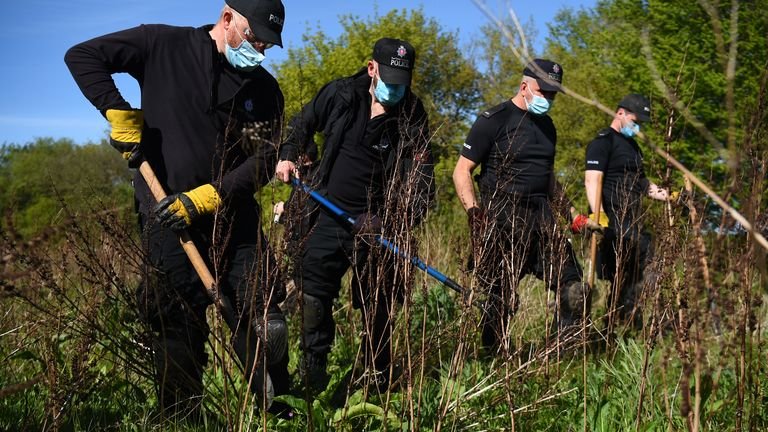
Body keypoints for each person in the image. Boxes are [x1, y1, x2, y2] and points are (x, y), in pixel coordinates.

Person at [65, 0, 290, 419]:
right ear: (227, 18)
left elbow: (263, 162)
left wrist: (211, 195)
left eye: (266, 44)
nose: (259, 50)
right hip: (167, 217)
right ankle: (185, 418)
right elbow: (82, 56)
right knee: (175, 329)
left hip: (233, 220)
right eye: (254, 38)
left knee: (267, 316)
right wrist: (116, 110)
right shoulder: (162, 44)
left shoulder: (265, 91)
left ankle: (280, 410)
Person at [274, 38, 434, 393]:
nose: (396, 89)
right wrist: (288, 153)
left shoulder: (413, 115)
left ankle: (375, 375)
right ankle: (313, 372)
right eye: (389, 78)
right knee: (314, 293)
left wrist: (389, 222)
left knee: (377, 303)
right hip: (327, 212)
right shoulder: (342, 94)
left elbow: (423, 183)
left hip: (378, 225)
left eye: (402, 82)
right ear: (372, 68)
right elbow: (302, 122)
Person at [452, 59, 587, 352]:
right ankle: (493, 360)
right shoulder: (494, 120)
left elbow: (548, 177)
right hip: (501, 218)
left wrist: (572, 214)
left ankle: (560, 356)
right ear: (524, 85)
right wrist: (475, 214)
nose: (547, 99)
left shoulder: (548, 128)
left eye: (552, 94)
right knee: (499, 301)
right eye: (543, 91)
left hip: (542, 219)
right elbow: (461, 171)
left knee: (574, 289)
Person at [576, 94, 677, 330]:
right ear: (620, 113)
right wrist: (598, 215)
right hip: (613, 221)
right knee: (631, 269)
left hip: (634, 220)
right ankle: (618, 323)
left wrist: (670, 196)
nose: (637, 126)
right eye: (635, 120)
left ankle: (622, 320)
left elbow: (643, 185)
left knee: (636, 275)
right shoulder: (603, 142)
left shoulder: (633, 147)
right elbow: (592, 180)